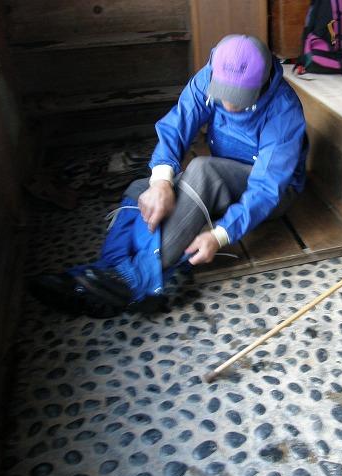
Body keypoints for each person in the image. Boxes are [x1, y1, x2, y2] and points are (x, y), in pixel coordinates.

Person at [32, 34, 307, 317]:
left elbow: (266, 188)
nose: (228, 105)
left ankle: (137, 279)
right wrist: (161, 182)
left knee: (202, 170)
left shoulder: (283, 111)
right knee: (142, 187)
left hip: (274, 192)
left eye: (239, 99)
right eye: (223, 93)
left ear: (263, 83)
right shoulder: (208, 77)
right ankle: (104, 273)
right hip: (227, 174)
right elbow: (177, 125)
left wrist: (220, 236)